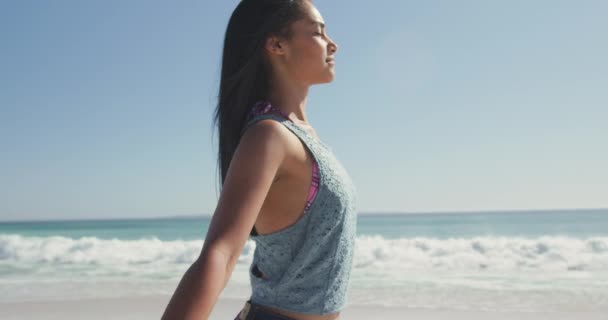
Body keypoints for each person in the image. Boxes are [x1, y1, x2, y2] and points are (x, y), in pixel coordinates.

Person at [161, 1, 357, 319]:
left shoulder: (299, 135)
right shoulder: (269, 135)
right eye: (319, 32)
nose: (333, 44)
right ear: (277, 44)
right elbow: (220, 253)